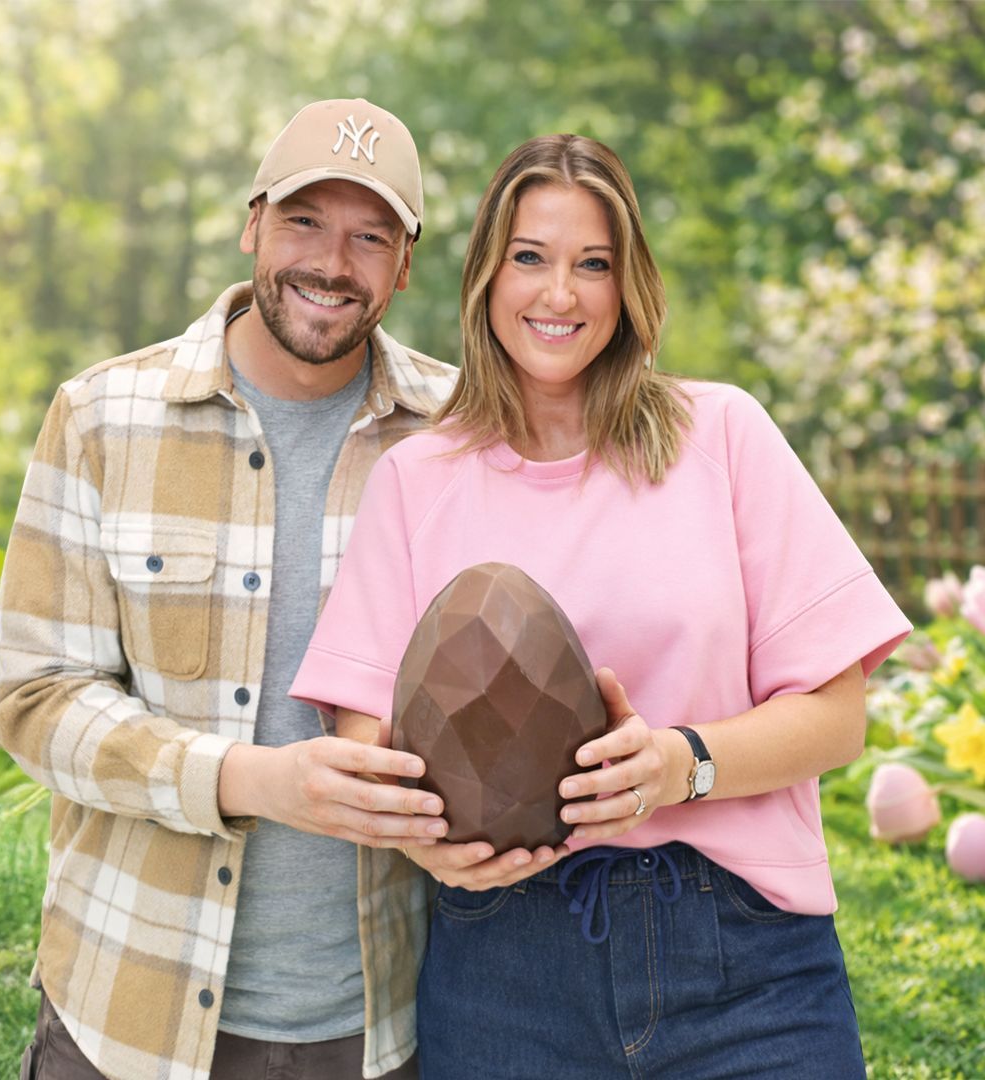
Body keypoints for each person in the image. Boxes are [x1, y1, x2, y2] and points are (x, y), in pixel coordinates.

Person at [290, 134, 911, 1078]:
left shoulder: (723, 435)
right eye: (530, 259)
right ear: (487, 278)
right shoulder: (417, 478)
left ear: (628, 289)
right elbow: (367, 728)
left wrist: (676, 764)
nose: (559, 294)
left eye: (594, 265)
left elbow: (836, 717)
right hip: (506, 959)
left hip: (743, 953)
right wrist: (432, 843)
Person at [0, 98, 458, 1080]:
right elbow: (35, 701)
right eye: (303, 223)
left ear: (404, 265)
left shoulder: (459, 435)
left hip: (377, 1026)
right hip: (125, 1012)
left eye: (369, 237)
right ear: (252, 223)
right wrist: (249, 779)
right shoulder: (101, 416)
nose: (333, 263)